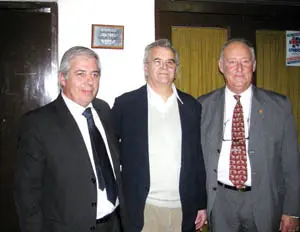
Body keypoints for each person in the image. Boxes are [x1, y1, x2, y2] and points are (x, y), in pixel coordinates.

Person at [14, 46, 126, 232]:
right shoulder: (38, 124)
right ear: (62, 78)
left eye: (95, 74)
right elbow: (27, 195)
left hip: (114, 224)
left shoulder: (103, 110)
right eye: (80, 74)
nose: (90, 82)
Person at [198, 38, 300, 232]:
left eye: (245, 61)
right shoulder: (203, 106)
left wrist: (292, 211)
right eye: (232, 62)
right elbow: (195, 161)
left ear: (253, 65)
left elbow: (291, 163)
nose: (239, 68)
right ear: (221, 66)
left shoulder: (278, 106)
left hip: (264, 200)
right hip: (220, 201)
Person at [112, 39, 207, 232]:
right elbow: (111, 152)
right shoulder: (126, 105)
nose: (164, 67)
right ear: (146, 67)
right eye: (157, 61)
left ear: (176, 68)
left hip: (183, 207)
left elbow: (197, 158)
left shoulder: (191, 106)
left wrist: (201, 203)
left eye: (170, 62)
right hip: (143, 207)